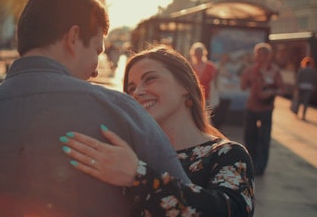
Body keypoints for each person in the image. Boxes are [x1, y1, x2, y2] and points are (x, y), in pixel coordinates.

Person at [0, 0, 189, 217]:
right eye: (97, 50)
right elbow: (189, 205)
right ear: (73, 38)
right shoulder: (122, 112)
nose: (97, 70)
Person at [60, 45, 255, 216]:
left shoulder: (227, 154)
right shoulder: (128, 153)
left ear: (185, 86)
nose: (137, 92)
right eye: (131, 87)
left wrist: (138, 176)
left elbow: (233, 211)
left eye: (150, 79)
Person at [240, 42, 284, 176]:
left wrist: (270, 92)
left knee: (264, 139)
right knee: (250, 136)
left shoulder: (275, 71)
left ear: (269, 56)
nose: (260, 58)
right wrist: (244, 77)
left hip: (266, 108)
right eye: (258, 55)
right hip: (251, 107)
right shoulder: (250, 70)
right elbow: (243, 87)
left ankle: (260, 167)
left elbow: (282, 89)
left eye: (264, 55)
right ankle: (250, 163)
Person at [293, 56, 317, 120]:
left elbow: (297, 79)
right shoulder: (313, 71)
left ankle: (296, 112)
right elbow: (315, 80)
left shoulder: (302, 70)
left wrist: (296, 87)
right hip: (309, 88)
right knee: (306, 102)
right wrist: (314, 87)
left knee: (298, 100)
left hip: (301, 87)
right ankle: (303, 115)